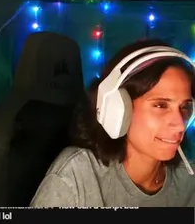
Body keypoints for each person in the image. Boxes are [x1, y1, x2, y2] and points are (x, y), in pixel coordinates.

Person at [31, 40, 194, 207]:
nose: (180, 125)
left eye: (185, 107)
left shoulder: (189, 183)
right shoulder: (76, 177)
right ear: (118, 106)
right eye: (161, 105)